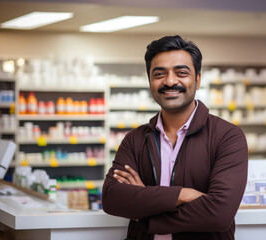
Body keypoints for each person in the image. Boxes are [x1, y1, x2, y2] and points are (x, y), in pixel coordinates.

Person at [102, 35, 248, 240]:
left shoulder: (227, 136)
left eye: (181, 73)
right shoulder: (135, 139)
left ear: (197, 80)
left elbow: (219, 214)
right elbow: (112, 198)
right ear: (150, 81)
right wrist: (182, 195)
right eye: (159, 74)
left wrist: (145, 213)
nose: (170, 81)